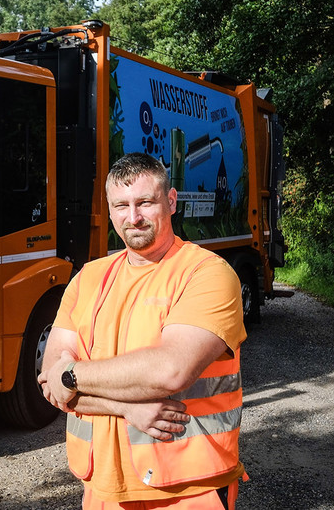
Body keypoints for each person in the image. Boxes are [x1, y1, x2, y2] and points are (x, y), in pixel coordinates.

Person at [39, 153, 247, 509]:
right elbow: (50, 383)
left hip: (188, 492)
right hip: (102, 493)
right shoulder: (88, 279)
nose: (132, 217)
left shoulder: (207, 274)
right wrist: (127, 409)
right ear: (109, 209)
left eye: (145, 203)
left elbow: (170, 370)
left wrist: (70, 374)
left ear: (171, 201)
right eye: (121, 205)